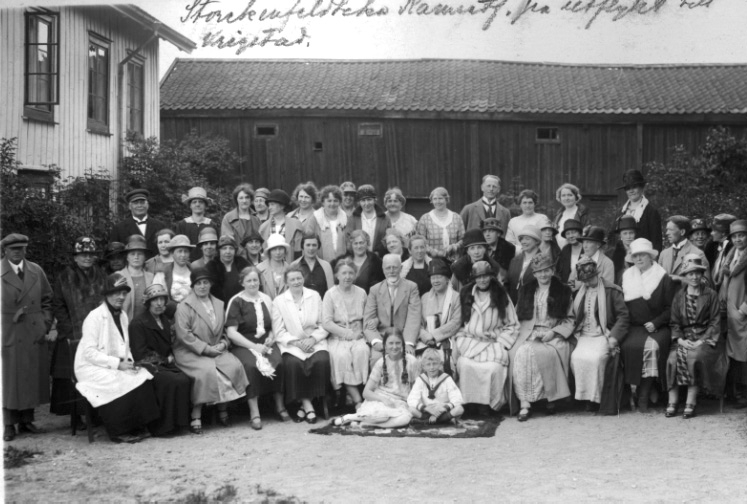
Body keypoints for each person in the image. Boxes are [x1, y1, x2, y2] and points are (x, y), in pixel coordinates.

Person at [74, 273, 159, 443]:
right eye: (116, 293)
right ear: (107, 294)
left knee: (142, 376)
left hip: (114, 363)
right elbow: (89, 353)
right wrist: (117, 364)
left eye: (123, 293)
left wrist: (129, 363)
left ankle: (137, 426)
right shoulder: (94, 317)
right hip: (90, 367)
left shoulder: (123, 316)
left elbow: (124, 345)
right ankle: (118, 431)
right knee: (119, 380)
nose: (120, 297)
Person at [173, 268, 249, 434]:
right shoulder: (184, 306)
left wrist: (223, 343)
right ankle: (196, 413)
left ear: (211, 284)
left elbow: (225, 329)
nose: (202, 286)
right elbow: (184, 335)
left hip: (216, 348)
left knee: (233, 366)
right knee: (207, 372)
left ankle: (223, 408)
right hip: (192, 351)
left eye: (205, 282)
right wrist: (206, 349)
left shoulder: (219, 304)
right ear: (193, 286)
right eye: (198, 283)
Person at [510, 253, 574, 421]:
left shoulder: (563, 291)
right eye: (539, 271)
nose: (543, 274)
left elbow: (570, 319)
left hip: (553, 333)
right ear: (534, 273)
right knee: (520, 353)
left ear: (552, 270)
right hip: (528, 332)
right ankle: (524, 403)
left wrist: (554, 332)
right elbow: (516, 317)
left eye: (546, 270)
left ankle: (549, 399)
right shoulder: (526, 290)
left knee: (545, 354)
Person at [1, 234, 53, 441]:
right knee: (8, 379)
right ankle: (8, 424)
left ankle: (26, 420)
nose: (17, 252)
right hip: (8, 331)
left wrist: (45, 323)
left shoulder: (35, 270)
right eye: (13, 249)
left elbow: (47, 298)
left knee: (29, 376)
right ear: (5, 250)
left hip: (33, 330)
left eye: (21, 248)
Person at [50, 237, 106, 425]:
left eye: (90, 254)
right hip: (73, 334)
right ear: (75, 257)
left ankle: (96, 414)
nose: (87, 257)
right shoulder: (64, 276)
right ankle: (76, 416)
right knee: (73, 376)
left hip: (98, 333)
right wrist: (68, 330)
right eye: (83, 254)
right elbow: (58, 305)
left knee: (98, 373)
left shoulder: (101, 275)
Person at [225, 267, 287, 430]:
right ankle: (255, 412)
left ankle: (279, 405)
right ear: (242, 283)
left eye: (255, 280)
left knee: (279, 362)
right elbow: (231, 333)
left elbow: (274, 326)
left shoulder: (266, 299)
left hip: (265, 343)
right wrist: (254, 347)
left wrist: (270, 338)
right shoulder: (236, 301)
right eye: (249, 281)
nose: (253, 283)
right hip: (244, 344)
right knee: (251, 366)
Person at [454, 261, 519, 414]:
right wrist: (461, 337)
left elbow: (512, 324)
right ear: (474, 278)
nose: (482, 280)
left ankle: (488, 404)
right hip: (471, 342)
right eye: (479, 277)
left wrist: (502, 342)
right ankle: (469, 403)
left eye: (485, 276)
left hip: (493, 343)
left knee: (493, 368)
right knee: (465, 365)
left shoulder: (501, 294)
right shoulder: (466, 294)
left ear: (491, 276)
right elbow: (459, 322)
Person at [666, 255, 726, 418]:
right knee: (673, 358)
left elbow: (715, 322)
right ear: (685, 276)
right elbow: (674, 323)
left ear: (702, 274)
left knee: (694, 357)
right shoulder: (679, 296)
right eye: (690, 273)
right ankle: (672, 401)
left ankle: (690, 401)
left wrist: (701, 341)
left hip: (705, 338)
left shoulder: (711, 295)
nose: (694, 277)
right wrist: (680, 340)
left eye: (697, 273)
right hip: (684, 338)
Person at [620, 238, 675, 412]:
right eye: (635, 255)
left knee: (652, 347)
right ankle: (634, 391)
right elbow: (621, 307)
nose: (638, 258)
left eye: (642, 255)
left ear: (651, 256)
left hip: (658, 325)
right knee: (627, 346)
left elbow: (670, 308)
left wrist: (656, 322)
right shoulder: (627, 276)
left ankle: (644, 392)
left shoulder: (663, 277)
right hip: (634, 326)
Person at [129, 284, 191, 436]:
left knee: (185, 378)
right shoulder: (138, 323)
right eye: (154, 300)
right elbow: (139, 354)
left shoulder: (165, 320)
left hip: (165, 363)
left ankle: (179, 423)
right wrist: (164, 359)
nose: (158, 303)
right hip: (147, 365)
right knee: (171, 380)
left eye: (162, 300)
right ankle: (162, 427)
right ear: (148, 303)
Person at [272, 265, 331, 424]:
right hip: (292, 344)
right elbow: (279, 331)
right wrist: (297, 343)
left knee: (322, 361)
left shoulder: (315, 296)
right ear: (286, 282)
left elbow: (323, 323)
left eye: (299, 278)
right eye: (292, 279)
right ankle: (307, 404)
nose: (296, 281)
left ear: (303, 278)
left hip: (314, 341)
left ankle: (309, 404)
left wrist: (313, 339)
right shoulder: (279, 301)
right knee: (293, 364)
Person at [570, 257, 630, 411]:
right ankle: (585, 398)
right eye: (584, 280)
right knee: (576, 358)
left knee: (596, 359)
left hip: (604, 334)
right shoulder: (579, 292)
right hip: (584, 335)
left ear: (597, 274)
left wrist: (614, 337)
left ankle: (598, 398)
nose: (587, 283)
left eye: (590, 279)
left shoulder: (612, 290)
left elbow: (623, 317)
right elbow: (573, 317)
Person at [333, 328, 416, 428]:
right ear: (385, 345)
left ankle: (369, 424)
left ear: (403, 344)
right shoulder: (381, 363)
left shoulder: (411, 361)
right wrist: (383, 399)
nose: (394, 347)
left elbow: (416, 388)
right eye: (391, 343)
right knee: (382, 416)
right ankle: (351, 417)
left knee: (405, 418)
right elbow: (366, 392)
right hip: (381, 400)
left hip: (400, 402)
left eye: (398, 343)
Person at [322, 258, 370, 410]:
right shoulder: (330, 294)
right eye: (343, 273)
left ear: (355, 275)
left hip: (358, 335)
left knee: (362, 351)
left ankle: (360, 394)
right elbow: (327, 322)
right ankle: (356, 399)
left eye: (350, 273)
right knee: (341, 356)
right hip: (338, 336)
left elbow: (367, 317)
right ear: (337, 275)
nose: (347, 277)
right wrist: (347, 333)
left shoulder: (361, 292)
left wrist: (360, 331)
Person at [363, 254, 422, 365]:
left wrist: (408, 343)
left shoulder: (411, 287)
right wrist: (376, 341)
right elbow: (368, 320)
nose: (391, 271)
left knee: (409, 360)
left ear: (401, 268)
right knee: (376, 360)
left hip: (403, 337)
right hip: (382, 337)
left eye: (395, 267)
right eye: (388, 268)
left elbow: (414, 317)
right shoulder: (374, 290)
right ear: (383, 269)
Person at [417, 259, 462, 373]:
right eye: (433, 278)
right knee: (417, 361)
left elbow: (456, 322)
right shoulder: (424, 297)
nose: (435, 281)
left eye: (439, 277)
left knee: (446, 361)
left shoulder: (456, 297)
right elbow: (418, 323)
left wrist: (434, 336)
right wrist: (425, 336)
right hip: (425, 340)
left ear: (447, 279)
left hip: (448, 338)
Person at [720, 219, 747, 408]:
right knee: (733, 351)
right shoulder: (730, 256)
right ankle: (734, 391)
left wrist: (742, 311)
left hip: (741, 311)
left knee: (744, 351)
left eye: (742, 235)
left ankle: (743, 393)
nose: (738, 239)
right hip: (729, 310)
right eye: (735, 236)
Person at [408, 348, 464, 424]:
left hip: (443, 410)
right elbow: (411, 399)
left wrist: (443, 408)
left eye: (434, 364)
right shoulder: (420, 379)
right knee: (411, 409)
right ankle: (443, 421)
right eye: (428, 364)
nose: (432, 367)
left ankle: (427, 422)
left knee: (459, 409)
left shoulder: (447, 378)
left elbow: (457, 398)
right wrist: (425, 408)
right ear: (423, 366)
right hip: (427, 411)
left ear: (440, 364)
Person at [614, 169, 663, 251]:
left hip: (644, 255)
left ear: (641, 187)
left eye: (634, 187)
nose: (631, 191)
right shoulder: (620, 212)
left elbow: (656, 242)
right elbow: (613, 239)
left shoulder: (651, 212)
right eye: (628, 188)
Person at [109, 188, 167, 255]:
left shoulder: (160, 226)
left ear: (147, 205)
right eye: (135, 203)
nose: (139, 205)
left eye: (142, 202)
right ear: (130, 206)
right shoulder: (119, 228)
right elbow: (115, 254)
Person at [416, 186, 465, 262]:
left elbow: (463, 239)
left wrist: (454, 247)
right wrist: (434, 252)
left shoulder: (457, 217)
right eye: (435, 199)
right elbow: (420, 241)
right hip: (432, 261)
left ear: (446, 199)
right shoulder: (425, 218)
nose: (438, 202)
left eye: (440, 198)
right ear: (432, 201)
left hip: (454, 261)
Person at [658, 215, 710, 285]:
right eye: (667, 230)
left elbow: (706, 282)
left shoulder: (698, 253)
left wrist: (682, 279)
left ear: (682, 232)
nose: (667, 233)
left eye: (671, 230)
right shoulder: (664, 254)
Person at [304, 185, 348, 261]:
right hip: (320, 262)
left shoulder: (345, 218)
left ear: (340, 202)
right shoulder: (315, 218)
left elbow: (349, 242)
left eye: (335, 201)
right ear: (323, 202)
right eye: (329, 201)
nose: (332, 204)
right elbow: (308, 242)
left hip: (342, 262)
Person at [346, 184, 391, 258]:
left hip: (379, 258)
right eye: (363, 200)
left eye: (369, 199)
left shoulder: (385, 218)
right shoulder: (353, 218)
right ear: (359, 202)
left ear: (375, 200)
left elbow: (387, 238)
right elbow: (348, 239)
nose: (366, 203)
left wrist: (377, 253)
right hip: (358, 258)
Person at [174, 187, 217, 262]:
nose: (197, 204)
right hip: (186, 263)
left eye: (200, 202)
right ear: (190, 205)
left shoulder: (211, 224)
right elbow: (178, 247)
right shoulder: (182, 225)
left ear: (205, 205)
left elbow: (216, 248)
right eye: (194, 202)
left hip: (208, 263)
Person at [259, 189, 304, 259]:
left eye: (272, 204)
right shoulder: (263, 227)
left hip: (289, 263)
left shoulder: (295, 225)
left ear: (282, 206)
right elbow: (261, 251)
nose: (269, 208)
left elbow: (298, 251)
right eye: (269, 205)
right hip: (269, 264)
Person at [568, 226, 615, 290]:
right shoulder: (580, 262)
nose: (585, 246)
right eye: (584, 242)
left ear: (598, 244)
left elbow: (608, 288)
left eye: (588, 242)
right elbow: (570, 284)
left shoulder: (607, 263)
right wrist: (578, 283)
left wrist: (586, 281)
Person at [120, 235, 154, 322]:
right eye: (132, 254)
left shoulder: (151, 277)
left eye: (140, 254)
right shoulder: (118, 276)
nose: (136, 257)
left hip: (146, 325)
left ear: (145, 257)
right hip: (124, 325)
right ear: (127, 257)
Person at [207, 235, 249, 303]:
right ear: (219, 250)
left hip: (242, 303)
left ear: (235, 250)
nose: (228, 251)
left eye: (231, 248)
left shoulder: (242, 263)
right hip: (218, 305)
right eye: (224, 248)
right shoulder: (211, 267)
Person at [221, 183, 261, 255]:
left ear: (251, 199)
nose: (244, 201)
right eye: (241, 198)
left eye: (247, 197)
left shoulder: (257, 218)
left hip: (255, 256)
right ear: (236, 200)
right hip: (236, 257)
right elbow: (228, 241)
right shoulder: (228, 218)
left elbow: (261, 240)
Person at [507, 225, 543, 304]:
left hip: (534, 306)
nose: (523, 242)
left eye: (527, 239)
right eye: (522, 239)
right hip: (513, 305)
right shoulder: (514, 261)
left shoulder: (544, 261)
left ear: (537, 241)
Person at [291, 233, 334, 298]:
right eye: (308, 245)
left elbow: (331, 292)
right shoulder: (294, 266)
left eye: (314, 245)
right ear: (302, 246)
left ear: (318, 247)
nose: (311, 248)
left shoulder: (326, 266)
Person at [342, 230, 384, 294]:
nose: (359, 246)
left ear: (367, 243)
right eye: (355, 243)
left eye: (361, 243)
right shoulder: (344, 262)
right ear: (351, 245)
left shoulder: (376, 263)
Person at [553, 183, 590, 249]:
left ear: (576, 197)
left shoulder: (583, 214)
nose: (566, 198)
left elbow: (587, 234)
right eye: (563, 195)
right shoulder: (558, 215)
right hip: (560, 251)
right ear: (559, 198)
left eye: (570, 195)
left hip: (577, 250)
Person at [481, 217, 515, 286]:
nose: (487, 235)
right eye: (485, 232)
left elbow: (504, 274)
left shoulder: (507, 248)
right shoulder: (481, 247)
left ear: (498, 233)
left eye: (491, 231)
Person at [707, 214, 737, 289]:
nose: (711, 233)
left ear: (723, 233)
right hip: (712, 287)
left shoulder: (734, 250)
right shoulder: (712, 246)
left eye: (714, 231)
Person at [257, 234, 291, 299]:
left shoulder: (290, 269)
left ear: (285, 250)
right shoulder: (259, 269)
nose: (278, 252)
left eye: (280, 249)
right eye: (274, 249)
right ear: (269, 251)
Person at [165, 235, 194, 303]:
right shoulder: (164, 273)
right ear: (172, 253)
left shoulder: (194, 271)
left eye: (186, 251)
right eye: (179, 251)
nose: (183, 255)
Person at [610, 215, 637, 285]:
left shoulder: (640, 250)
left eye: (631, 233)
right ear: (620, 235)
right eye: (625, 233)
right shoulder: (613, 254)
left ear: (635, 234)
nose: (628, 236)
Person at [556, 219, 584, 284]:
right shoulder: (565, 250)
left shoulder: (587, 249)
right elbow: (559, 272)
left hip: (585, 286)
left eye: (574, 232)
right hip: (567, 286)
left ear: (580, 233)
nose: (571, 236)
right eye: (568, 233)